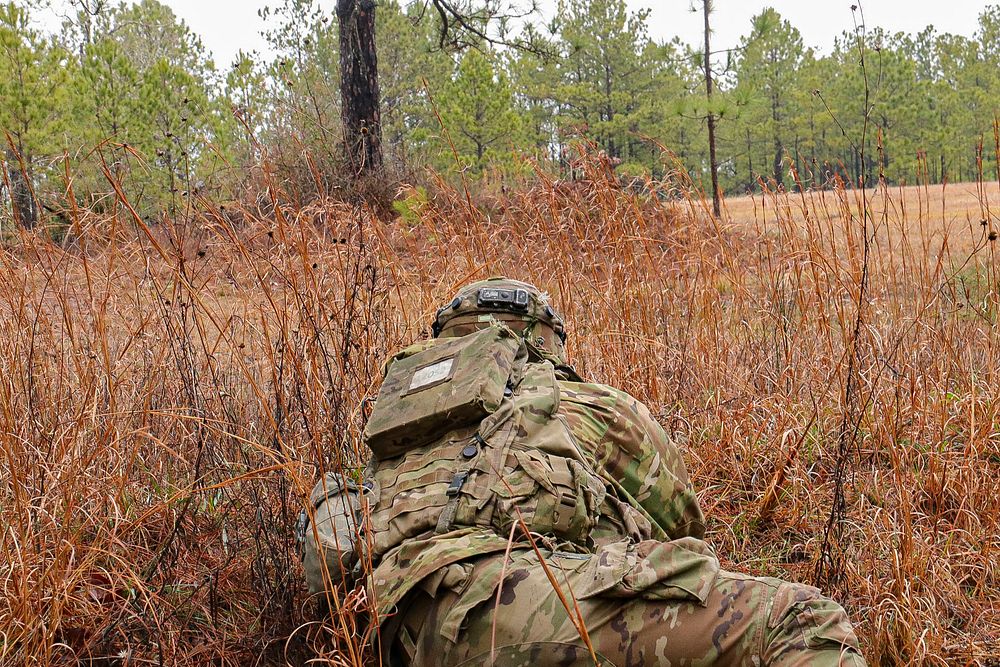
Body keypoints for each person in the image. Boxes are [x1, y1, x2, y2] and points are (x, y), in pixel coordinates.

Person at [302, 278, 866, 666]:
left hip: (387, 633)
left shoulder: (391, 444)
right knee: (804, 622)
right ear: (544, 342)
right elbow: (684, 528)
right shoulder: (582, 404)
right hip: (512, 617)